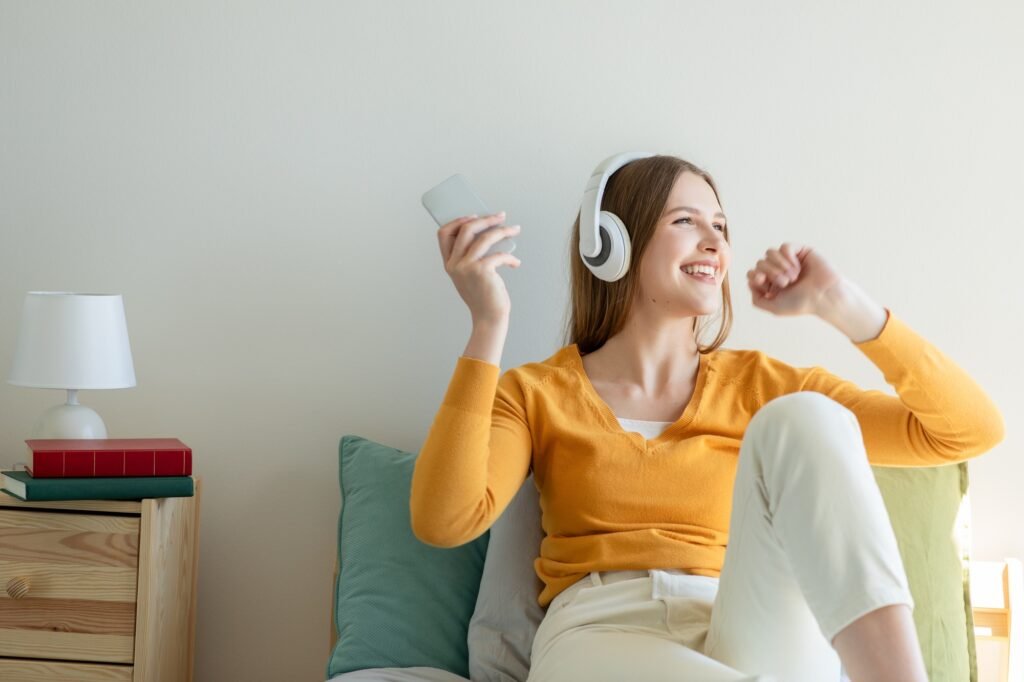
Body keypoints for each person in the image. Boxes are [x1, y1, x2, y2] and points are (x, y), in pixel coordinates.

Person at [409, 153, 1004, 682]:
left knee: (805, 418)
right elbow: (445, 519)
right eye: (686, 221)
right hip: (598, 634)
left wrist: (843, 307)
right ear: (611, 244)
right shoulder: (537, 392)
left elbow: (967, 431)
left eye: (720, 226)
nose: (715, 243)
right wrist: (487, 323)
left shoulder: (760, 385)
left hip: (739, 621)